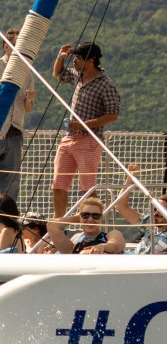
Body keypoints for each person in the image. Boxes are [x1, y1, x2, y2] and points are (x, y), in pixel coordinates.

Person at [50, 42, 120, 218]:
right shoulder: (77, 75)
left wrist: (83, 124)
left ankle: (92, 222)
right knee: (58, 185)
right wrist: (61, 57)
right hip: (69, 138)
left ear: (90, 61)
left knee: (88, 188)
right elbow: (58, 74)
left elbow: (113, 114)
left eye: (78, 58)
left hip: (89, 140)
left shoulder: (105, 84)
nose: (74, 61)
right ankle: (60, 224)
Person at [1, 29, 36, 202]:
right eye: (16, 45)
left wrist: (29, 100)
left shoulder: (27, 73)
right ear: (6, 46)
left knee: (12, 183)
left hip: (15, 133)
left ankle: (7, 216)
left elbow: (27, 109)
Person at [46, 193, 126, 255]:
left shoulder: (112, 235)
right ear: (80, 218)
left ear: (101, 218)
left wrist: (101, 247)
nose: (90, 219)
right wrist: (76, 218)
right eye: (86, 215)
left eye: (95, 216)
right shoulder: (73, 246)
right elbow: (51, 225)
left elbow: (114, 246)